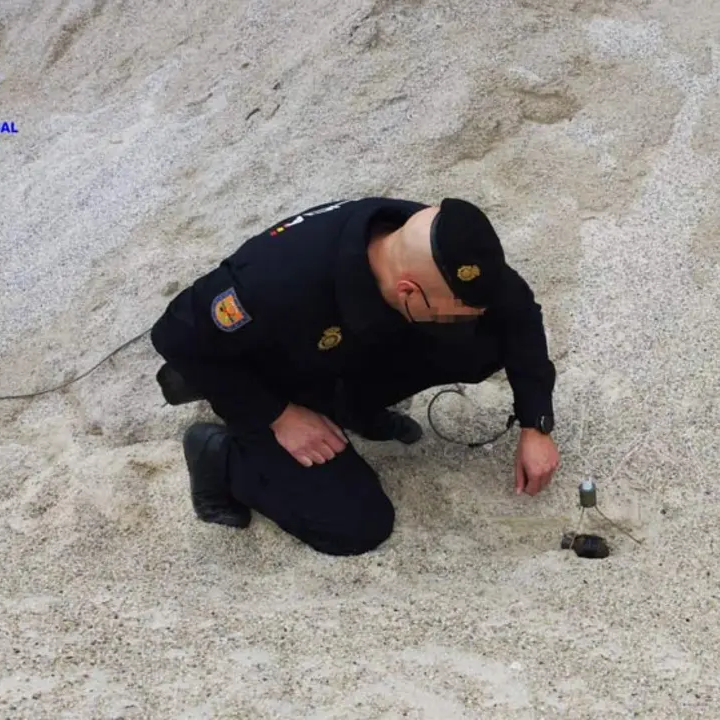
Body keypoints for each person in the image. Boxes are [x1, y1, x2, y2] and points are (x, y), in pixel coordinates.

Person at [149, 196, 559, 556]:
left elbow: (518, 312)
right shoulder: (273, 283)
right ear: (408, 291)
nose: (469, 316)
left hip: (336, 354)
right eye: (453, 310)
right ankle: (219, 456)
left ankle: (353, 408)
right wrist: (279, 415)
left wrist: (535, 423)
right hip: (268, 382)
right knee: (356, 526)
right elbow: (173, 336)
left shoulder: (437, 241)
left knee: (485, 341)